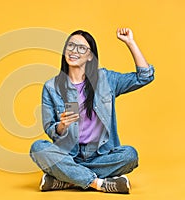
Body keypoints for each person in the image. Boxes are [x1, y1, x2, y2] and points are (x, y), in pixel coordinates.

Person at [29, 28, 155, 194]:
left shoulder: (106, 80)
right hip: (69, 154)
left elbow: (144, 77)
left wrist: (130, 42)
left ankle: (67, 179)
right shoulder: (51, 87)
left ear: (90, 56)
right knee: (38, 148)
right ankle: (98, 183)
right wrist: (62, 126)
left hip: (100, 155)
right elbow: (49, 127)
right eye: (70, 46)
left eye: (81, 48)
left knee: (130, 155)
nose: (74, 51)